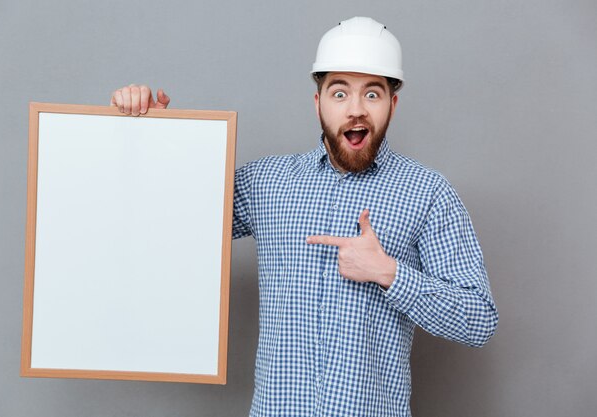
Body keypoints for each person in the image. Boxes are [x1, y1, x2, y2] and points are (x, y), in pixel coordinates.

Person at [111, 16, 498, 417]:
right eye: (339, 93)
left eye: (372, 94)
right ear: (318, 103)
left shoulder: (428, 192)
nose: (355, 110)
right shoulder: (267, 183)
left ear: (392, 105)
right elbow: (168, 218)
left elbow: (478, 320)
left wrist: (388, 272)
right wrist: (153, 133)